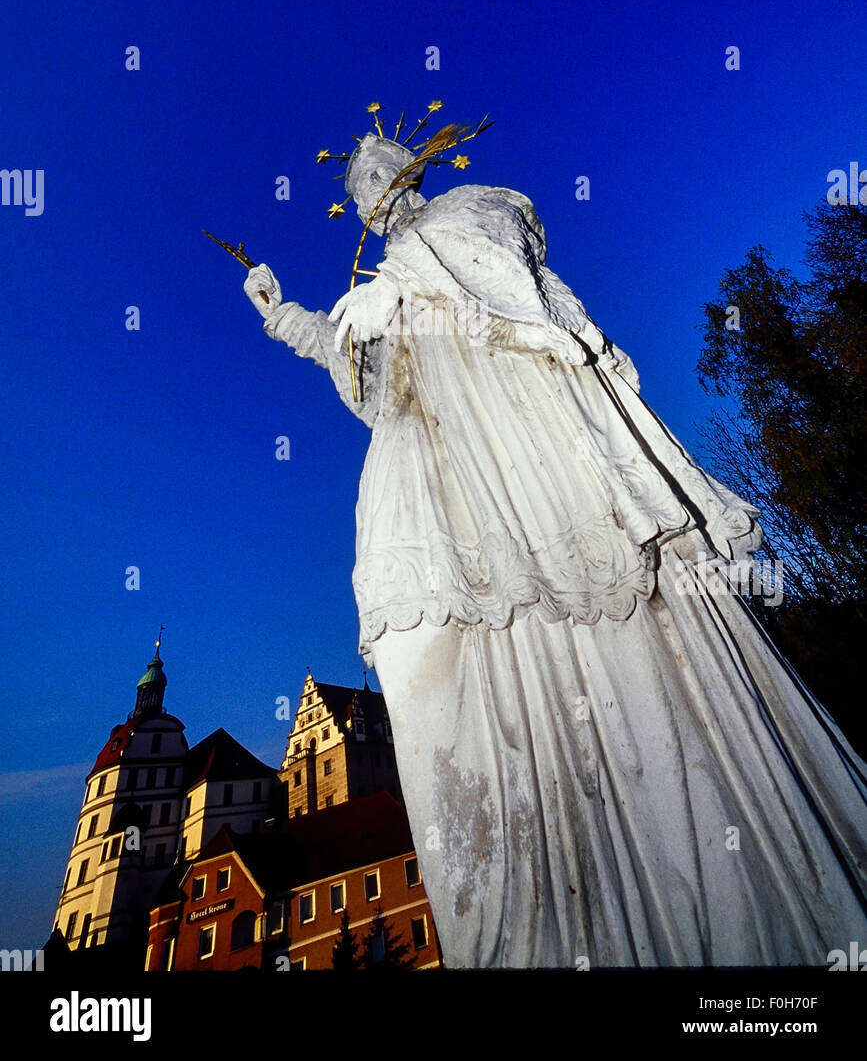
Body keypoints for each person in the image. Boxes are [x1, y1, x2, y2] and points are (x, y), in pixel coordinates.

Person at [244, 130, 867, 968]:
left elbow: (509, 274)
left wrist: (395, 288)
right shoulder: (392, 282)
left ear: (412, 173)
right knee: (415, 647)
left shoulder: (471, 212)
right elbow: (364, 368)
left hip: (526, 459)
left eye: (380, 177)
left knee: (606, 638)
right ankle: (525, 911)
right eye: (358, 193)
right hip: (434, 478)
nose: (371, 197)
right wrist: (286, 317)